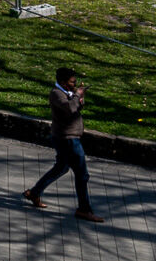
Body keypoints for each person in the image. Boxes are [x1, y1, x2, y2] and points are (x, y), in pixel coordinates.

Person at [24, 67, 103, 222]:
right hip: (67, 139)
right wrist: (77, 96)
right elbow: (70, 108)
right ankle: (84, 209)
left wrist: (80, 97)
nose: (74, 85)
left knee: (61, 167)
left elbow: (77, 107)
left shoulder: (67, 93)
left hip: (69, 137)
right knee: (82, 174)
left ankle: (34, 193)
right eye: (72, 82)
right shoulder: (56, 94)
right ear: (62, 82)